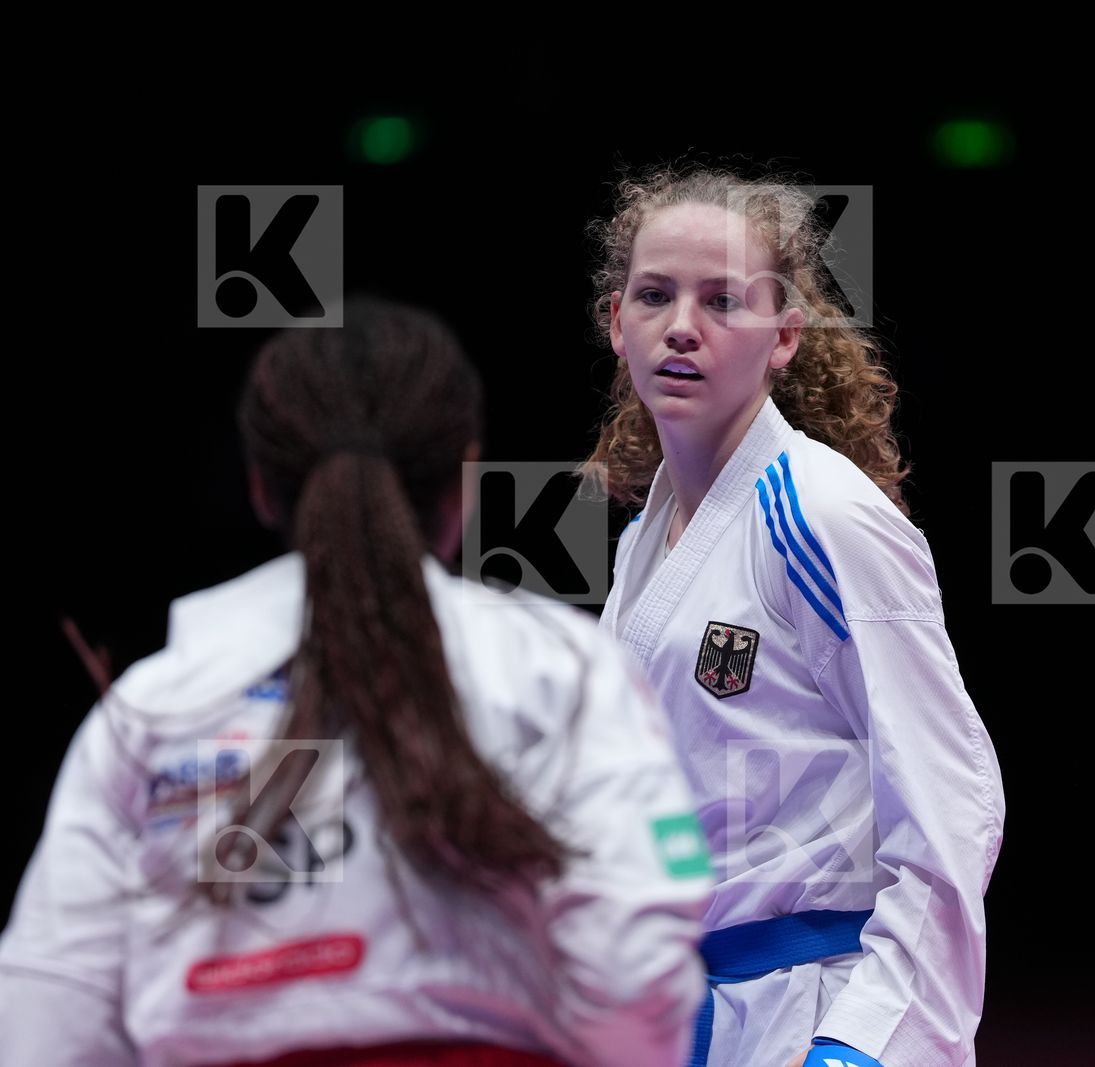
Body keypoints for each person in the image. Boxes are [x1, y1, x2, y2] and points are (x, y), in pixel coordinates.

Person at [0, 299, 714, 1067]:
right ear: (466, 480)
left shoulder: (155, 706)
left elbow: (51, 1019)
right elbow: (638, 969)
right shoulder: (559, 669)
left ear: (262, 487)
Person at [580, 164, 1006, 1067]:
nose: (682, 325)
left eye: (722, 300)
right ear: (617, 322)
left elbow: (953, 801)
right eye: (654, 295)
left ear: (784, 336)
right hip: (683, 1013)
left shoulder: (820, 514)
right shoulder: (645, 538)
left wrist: (862, 1044)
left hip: (810, 1009)